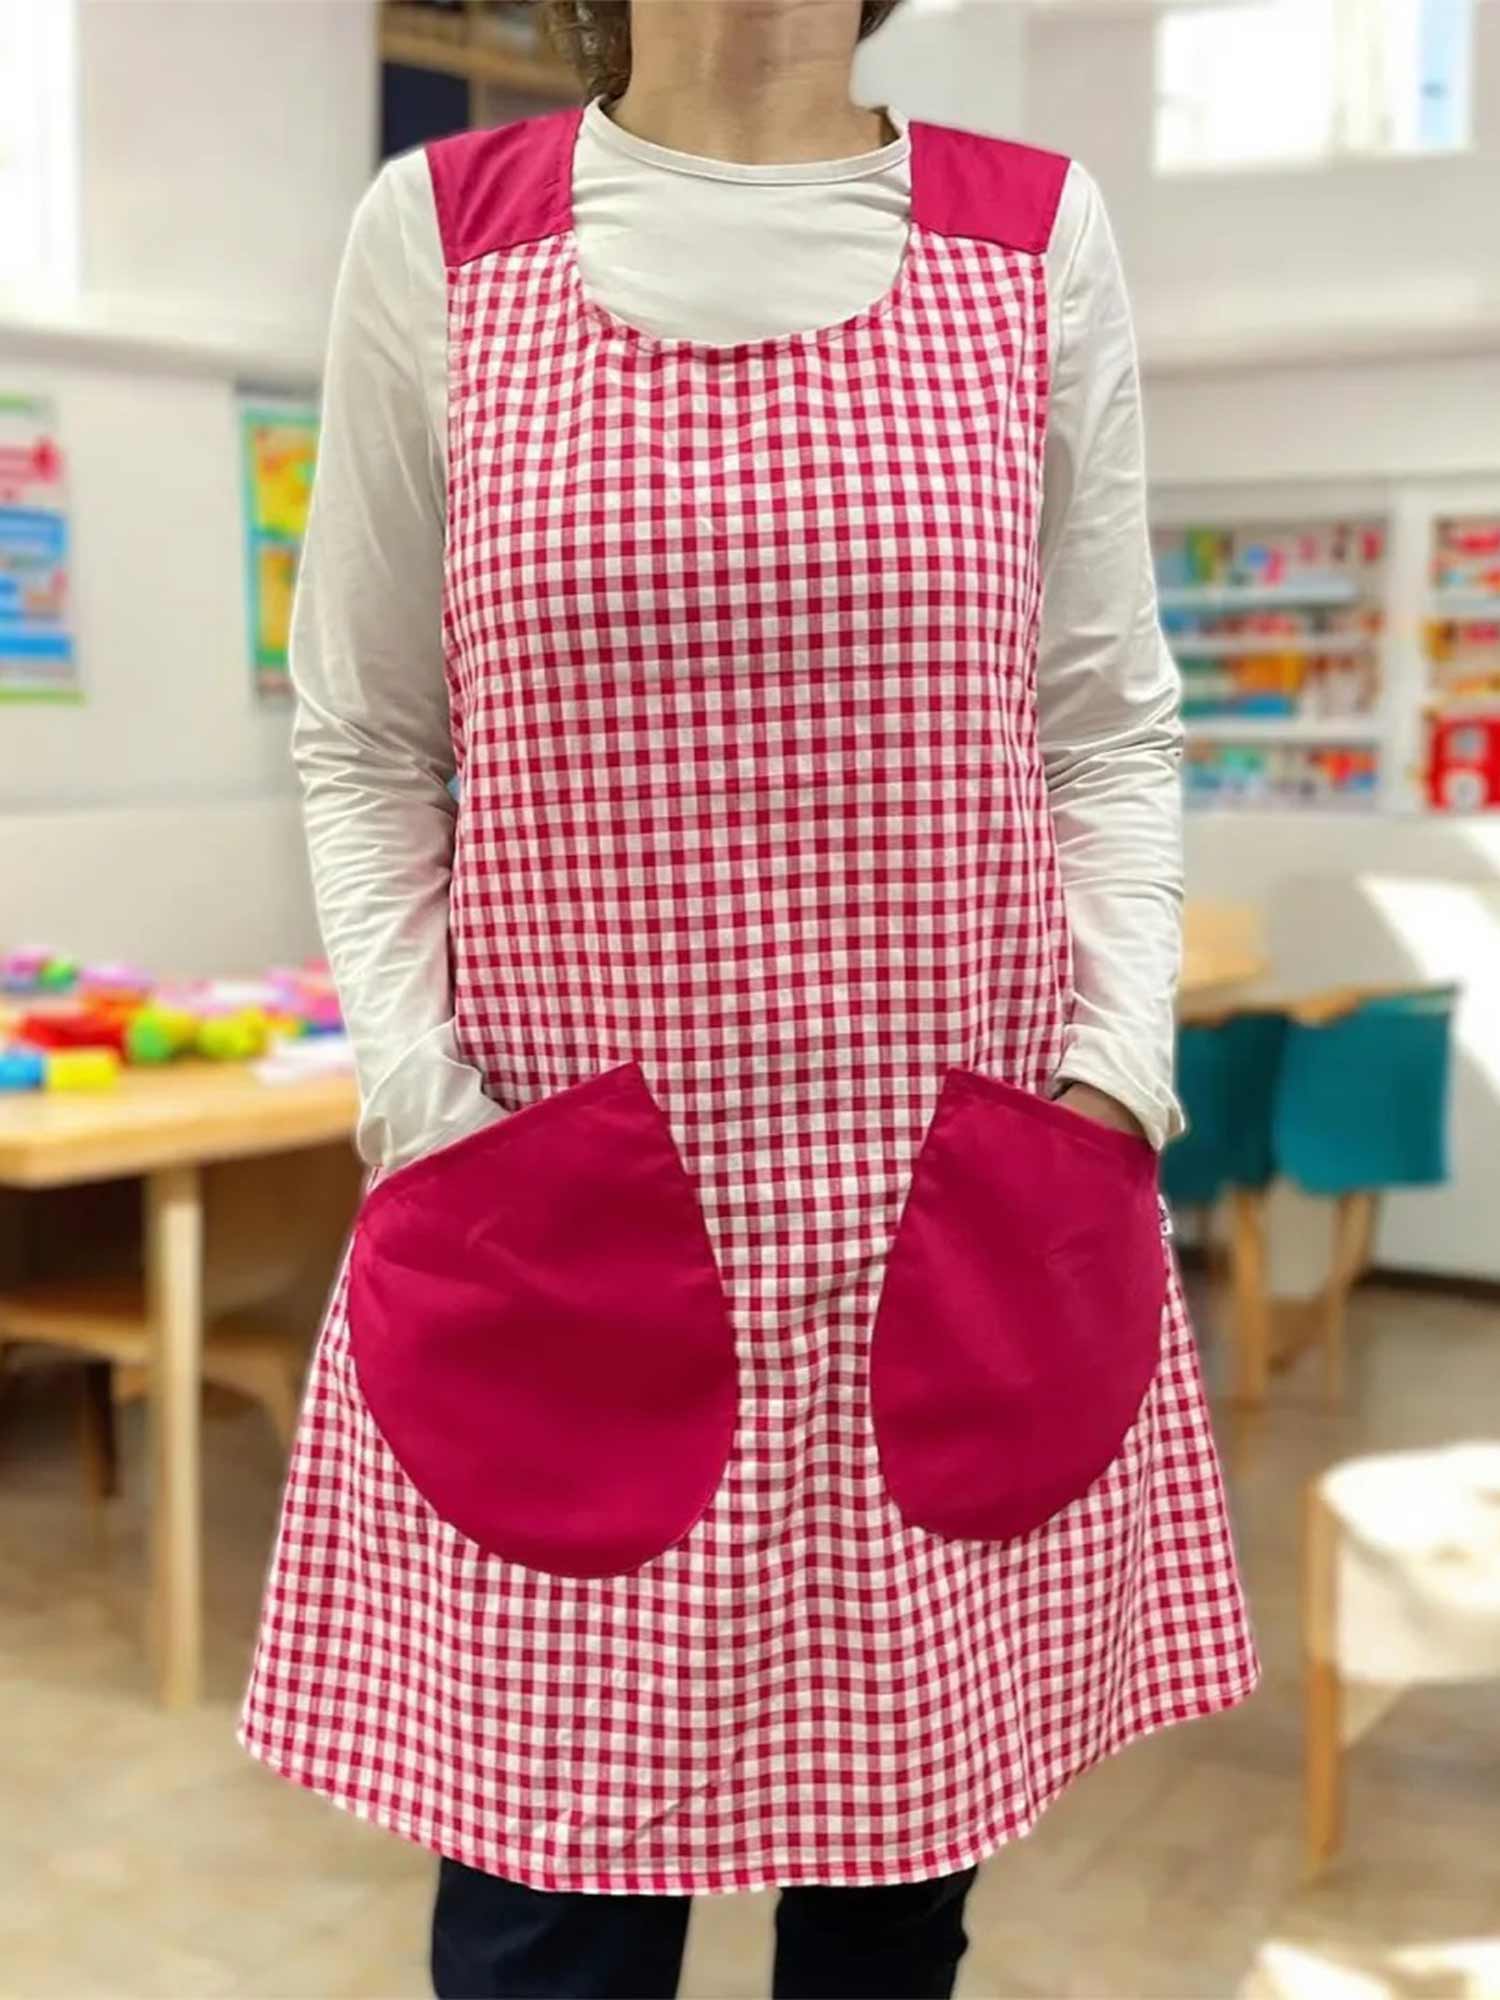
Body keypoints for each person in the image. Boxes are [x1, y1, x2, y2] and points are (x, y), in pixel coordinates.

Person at [240, 2, 1260, 1994]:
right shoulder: (438, 238)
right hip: (557, 1216)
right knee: (546, 1923)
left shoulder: (1028, 236)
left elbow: (1107, 722)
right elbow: (364, 734)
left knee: (890, 1922)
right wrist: (427, 1109)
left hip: (947, 1212)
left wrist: (1113, 1076)